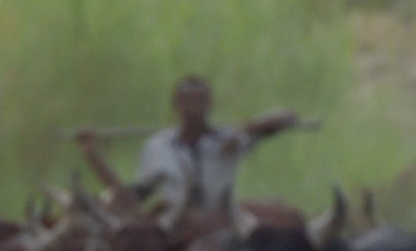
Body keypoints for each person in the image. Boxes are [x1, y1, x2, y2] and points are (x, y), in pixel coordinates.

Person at [75, 75, 303, 218]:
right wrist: (92, 155)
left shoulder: (228, 141)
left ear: (210, 105)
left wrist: (246, 129)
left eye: (199, 102)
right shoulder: (158, 146)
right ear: (175, 106)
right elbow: (130, 198)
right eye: (187, 102)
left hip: (219, 223)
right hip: (175, 226)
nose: (193, 109)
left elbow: (286, 116)